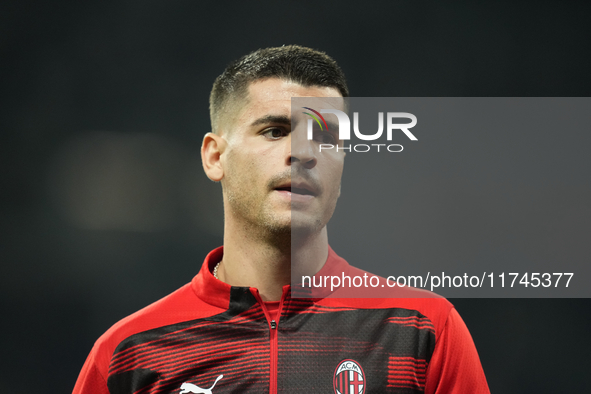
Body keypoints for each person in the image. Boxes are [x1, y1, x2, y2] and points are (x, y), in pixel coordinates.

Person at [73, 45, 490, 394]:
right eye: (274, 130)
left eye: (326, 137)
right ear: (215, 156)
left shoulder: (422, 330)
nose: (304, 152)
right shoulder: (129, 354)